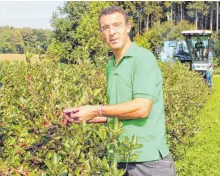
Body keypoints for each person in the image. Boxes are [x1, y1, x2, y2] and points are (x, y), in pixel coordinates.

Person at [63, 6, 176, 176]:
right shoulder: (111, 64)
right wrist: (83, 115)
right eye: (106, 28)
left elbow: (141, 108)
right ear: (101, 33)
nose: (112, 32)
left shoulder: (143, 59)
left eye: (117, 25)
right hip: (119, 157)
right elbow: (118, 113)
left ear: (128, 27)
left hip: (148, 160)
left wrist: (95, 109)